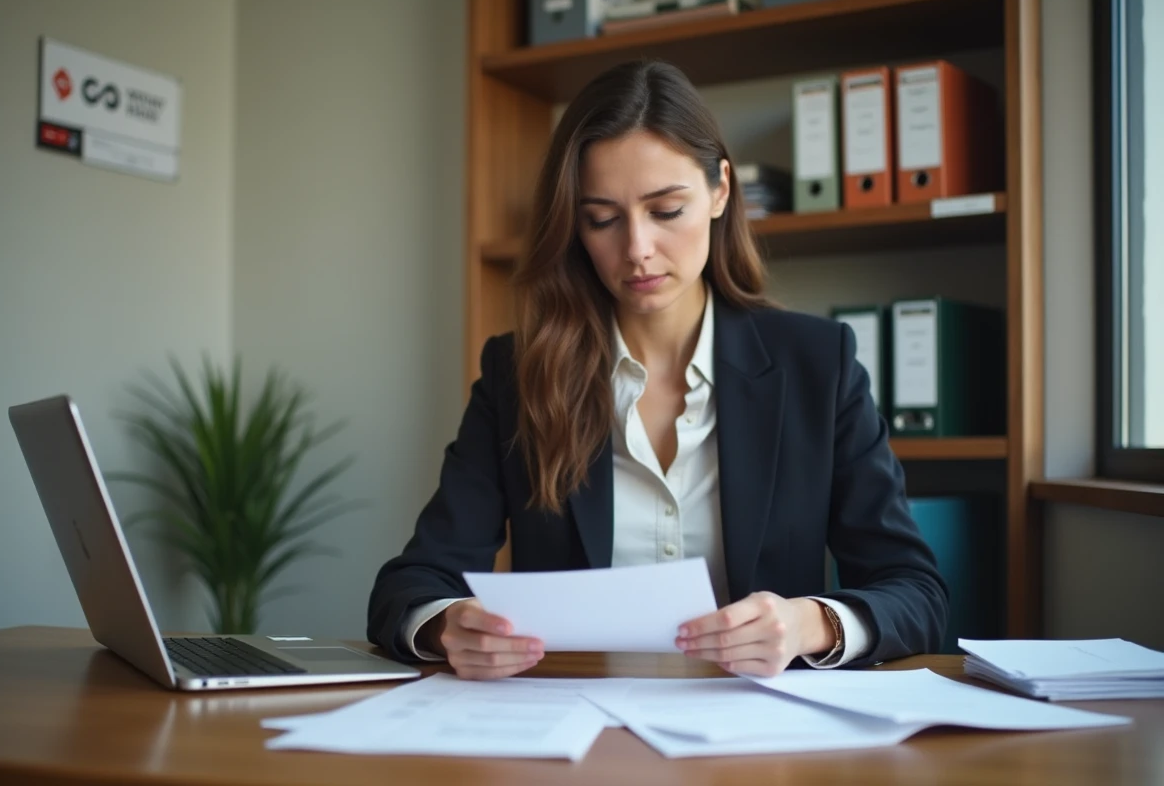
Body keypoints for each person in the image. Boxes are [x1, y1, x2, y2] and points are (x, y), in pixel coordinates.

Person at [367, 60, 947, 681]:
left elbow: (917, 593)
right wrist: (447, 625)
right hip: (571, 728)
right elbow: (411, 585)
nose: (637, 249)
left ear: (720, 190)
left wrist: (810, 623)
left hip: (762, 741)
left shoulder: (818, 366)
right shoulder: (518, 374)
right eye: (602, 219)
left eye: (666, 210)